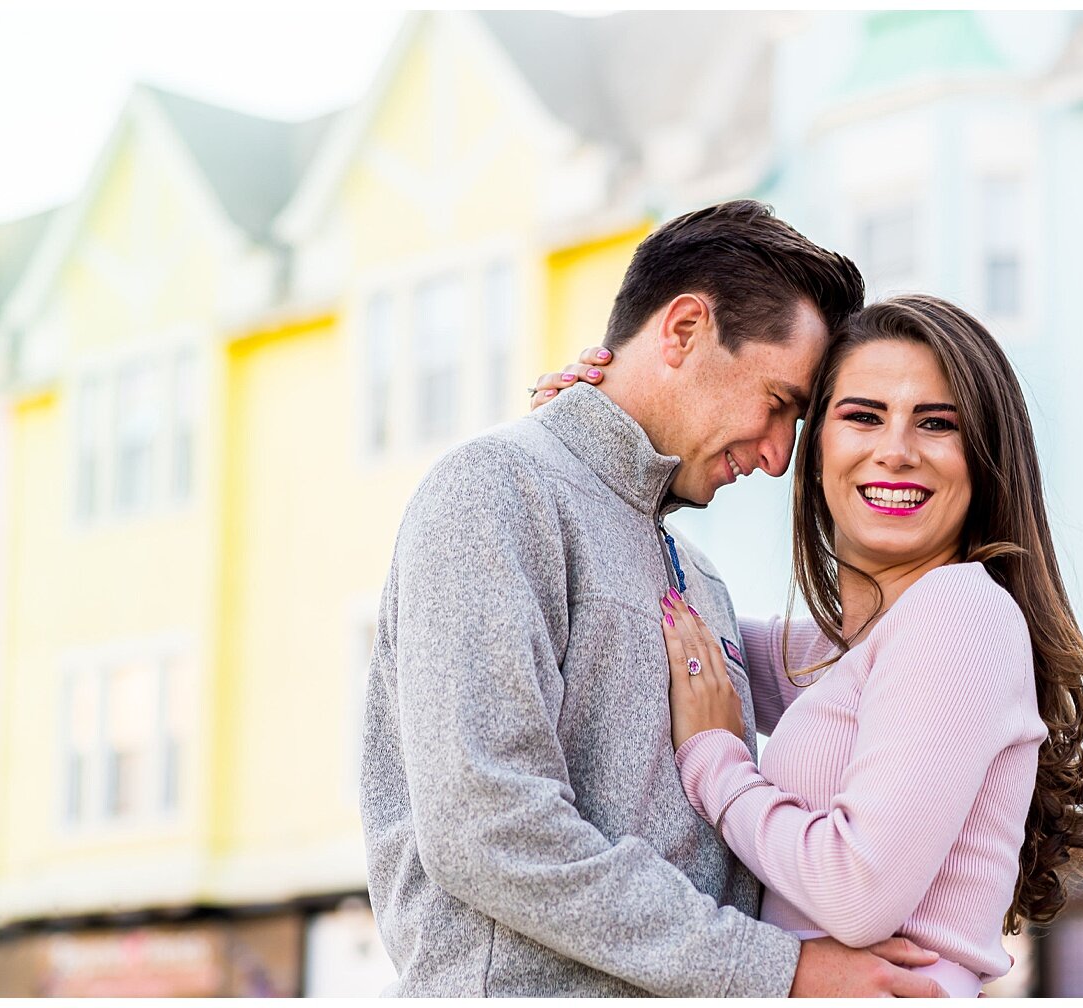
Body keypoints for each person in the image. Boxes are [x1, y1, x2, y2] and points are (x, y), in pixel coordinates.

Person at [359, 200, 951, 997]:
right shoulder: (495, 490)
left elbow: (861, 657)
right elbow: (487, 828)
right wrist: (783, 971)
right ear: (682, 331)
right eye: (779, 403)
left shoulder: (693, 575)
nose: (780, 458)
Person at [534, 295, 1083, 996]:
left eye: (937, 423)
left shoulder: (960, 612)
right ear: (816, 451)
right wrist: (591, 450)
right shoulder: (854, 650)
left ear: (984, 459)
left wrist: (716, 762)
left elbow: (857, 891)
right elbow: (665, 633)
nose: (895, 449)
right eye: (863, 416)